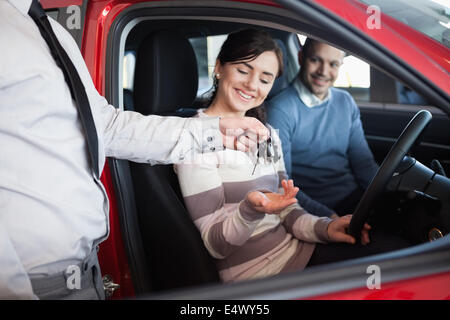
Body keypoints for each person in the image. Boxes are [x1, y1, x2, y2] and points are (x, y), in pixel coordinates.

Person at [0, 0, 270, 299]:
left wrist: (212, 132)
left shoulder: (50, 30)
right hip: (28, 286)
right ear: (218, 68)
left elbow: (106, 125)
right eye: (244, 69)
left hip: (84, 271)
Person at [174, 29, 408, 284]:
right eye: (243, 70)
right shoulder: (196, 140)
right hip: (266, 278)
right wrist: (251, 210)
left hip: (299, 250)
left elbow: (287, 210)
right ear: (219, 66)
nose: (252, 85)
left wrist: (327, 228)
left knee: (399, 252)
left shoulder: (267, 134)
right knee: (397, 268)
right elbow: (216, 246)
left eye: (265, 79)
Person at [266, 38, 379, 218]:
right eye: (315, 60)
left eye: (333, 64)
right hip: (314, 210)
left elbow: (364, 164)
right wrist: (329, 219)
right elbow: (281, 184)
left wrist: (383, 194)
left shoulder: (345, 101)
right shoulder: (280, 110)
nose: (323, 72)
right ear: (301, 57)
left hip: (356, 198)